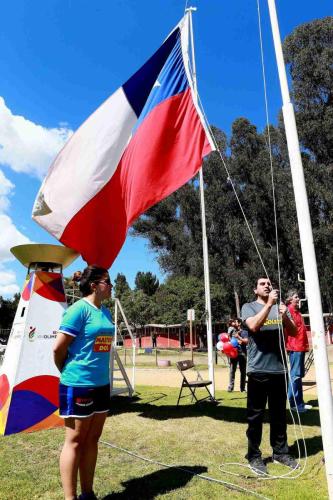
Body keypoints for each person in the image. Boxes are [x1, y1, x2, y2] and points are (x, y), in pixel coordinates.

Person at [53, 266, 114, 500]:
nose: (110, 287)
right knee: (76, 441)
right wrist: (68, 371)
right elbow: (58, 348)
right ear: (94, 285)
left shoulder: (106, 312)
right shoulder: (78, 310)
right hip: (78, 383)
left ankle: (88, 494)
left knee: (93, 439)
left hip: (101, 384)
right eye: (107, 282)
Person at [241, 277, 299, 476]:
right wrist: (269, 305)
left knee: (279, 415)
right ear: (255, 289)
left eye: (269, 284)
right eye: (262, 284)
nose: (267, 285)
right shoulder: (248, 307)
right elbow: (254, 326)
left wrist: (285, 316)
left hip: (279, 370)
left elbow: (293, 332)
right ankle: (254, 456)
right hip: (258, 370)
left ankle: (281, 452)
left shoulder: (280, 307)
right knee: (255, 417)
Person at [285, 290, 312, 413]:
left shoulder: (298, 312)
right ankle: (293, 404)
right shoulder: (288, 311)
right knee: (295, 376)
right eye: (296, 297)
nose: (298, 299)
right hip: (294, 347)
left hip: (300, 346)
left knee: (298, 376)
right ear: (290, 299)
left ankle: (300, 403)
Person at [227, 319, 248, 393]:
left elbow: (246, 341)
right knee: (232, 371)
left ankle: (242, 388)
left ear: (239, 323)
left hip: (242, 354)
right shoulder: (232, 330)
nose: (233, 323)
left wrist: (240, 339)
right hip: (233, 354)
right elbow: (229, 340)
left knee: (243, 372)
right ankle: (230, 388)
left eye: (235, 322)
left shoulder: (244, 331)